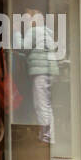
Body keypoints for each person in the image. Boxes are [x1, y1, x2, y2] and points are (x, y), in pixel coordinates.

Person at [14, 8, 61, 144]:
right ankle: (48, 135)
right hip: (50, 71)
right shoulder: (47, 32)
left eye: (27, 19)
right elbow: (36, 51)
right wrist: (23, 56)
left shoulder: (34, 31)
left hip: (40, 72)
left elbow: (22, 46)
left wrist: (16, 31)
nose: (26, 22)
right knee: (46, 104)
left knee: (41, 104)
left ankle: (47, 137)